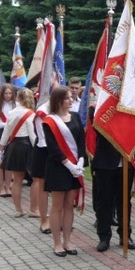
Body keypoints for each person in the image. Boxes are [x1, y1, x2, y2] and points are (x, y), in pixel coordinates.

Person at [42, 86, 85, 257]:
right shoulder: (49, 121)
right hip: (59, 167)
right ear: (59, 100)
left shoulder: (75, 117)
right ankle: (57, 242)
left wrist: (80, 160)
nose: (71, 100)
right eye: (67, 97)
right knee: (57, 206)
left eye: (71, 97)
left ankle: (68, 241)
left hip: (75, 167)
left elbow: (81, 140)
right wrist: (68, 164)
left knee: (69, 205)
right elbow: (52, 147)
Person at [0, 88, 36, 217]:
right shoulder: (30, 113)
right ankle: (33, 209)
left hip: (14, 146)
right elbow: (32, 135)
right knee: (36, 179)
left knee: (17, 180)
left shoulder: (12, 112)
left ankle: (18, 210)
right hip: (27, 146)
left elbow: (6, 132)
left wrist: (1, 148)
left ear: (17, 98)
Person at [30, 99, 51, 233]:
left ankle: (58, 219)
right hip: (45, 151)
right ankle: (44, 220)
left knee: (59, 190)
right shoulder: (43, 111)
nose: (71, 98)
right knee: (43, 186)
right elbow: (44, 139)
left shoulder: (70, 113)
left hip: (61, 154)